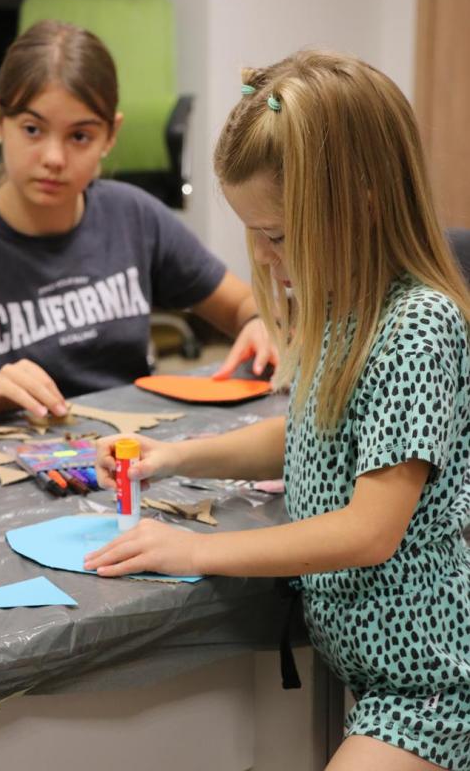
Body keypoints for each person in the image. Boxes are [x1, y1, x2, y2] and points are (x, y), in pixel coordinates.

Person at [88, 50, 470, 771]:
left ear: (361, 203)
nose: (263, 259)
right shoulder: (343, 307)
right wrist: (175, 457)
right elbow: (308, 435)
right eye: (255, 235)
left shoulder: (418, 326)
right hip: (371, 670)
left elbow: (369, 530)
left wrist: (192, 550)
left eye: (278, 235)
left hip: (432, 688)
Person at [0, 20, 276, 427]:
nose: (54, 158)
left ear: (110, 135)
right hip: (8, 452)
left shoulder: (133, 215)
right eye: (32, 129)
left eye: (79, 136)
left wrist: (259, 324)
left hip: (131, 445)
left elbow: (241, 304)